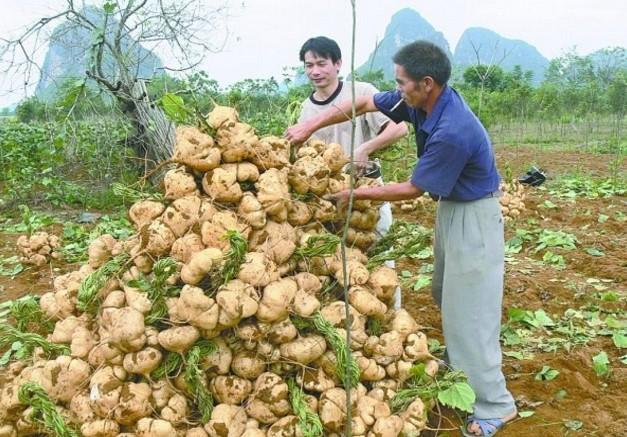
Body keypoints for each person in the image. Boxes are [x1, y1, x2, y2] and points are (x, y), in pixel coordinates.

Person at [285, 40, 517, 437]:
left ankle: (495, 405)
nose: (397, 88)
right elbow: (364, 104)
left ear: (426, 83)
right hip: (454, 208)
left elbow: (412, 189)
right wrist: (310, 125)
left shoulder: (453, 129)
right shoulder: (421, 100)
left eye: (401, 82)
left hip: (475, 214)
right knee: (447, 293)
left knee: (472, 310)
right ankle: (463, 362)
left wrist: (352, 194)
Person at [296, 36, 408, 308]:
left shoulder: (362, 92)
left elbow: (400, 127)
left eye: (321, 63)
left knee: (380, 256)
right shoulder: (306, 110)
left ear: (338, 64)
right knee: (339, 265)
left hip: (369, 194)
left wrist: (366, 148)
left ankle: (392, 318)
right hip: (332, 200)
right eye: (309, 65)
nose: (315, 71)